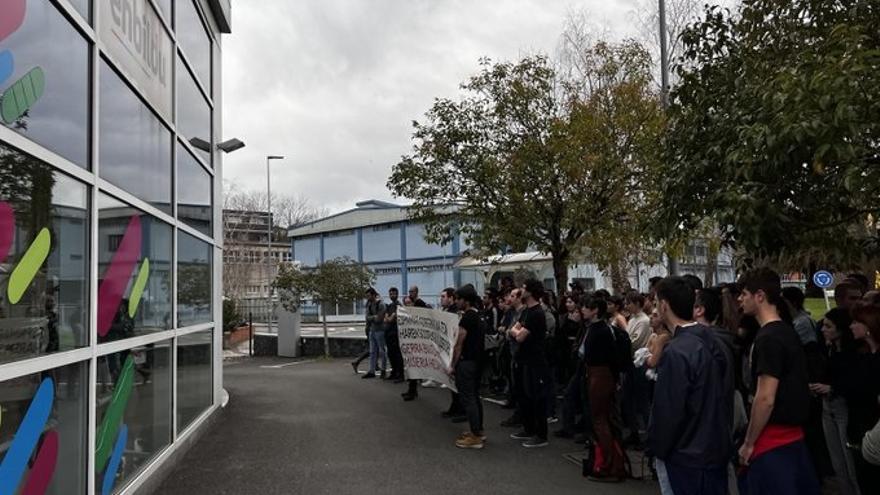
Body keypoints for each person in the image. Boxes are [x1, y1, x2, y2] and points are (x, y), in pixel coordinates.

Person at [737, 268, 819, 495]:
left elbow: (765, 397)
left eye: (744, 294)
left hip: (774, 441)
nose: (740, 299)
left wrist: (749, 442)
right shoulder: (786, 331)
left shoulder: (768, 338)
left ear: (759, 296)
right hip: (792, 438)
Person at [648, 277, 733, 494]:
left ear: (664, 305)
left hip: (687, 455)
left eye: (657, 302)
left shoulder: (677, 351)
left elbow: (669, 410)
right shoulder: (713, 340)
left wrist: (658, 447)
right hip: (714, 448)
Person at [810, 308, 861, 495]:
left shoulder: (853, 354)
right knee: (837, 462)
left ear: (840, 330)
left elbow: (854, 382)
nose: (823, 329)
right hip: (828, 407)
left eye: (828, 326)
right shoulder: (830, 349)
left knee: (849, 463)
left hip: (842, 409)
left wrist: (832, 388)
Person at [582, 295, 626, 481]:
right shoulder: (597, 329)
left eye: (586, 306)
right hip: (598, 374)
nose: (582, 309)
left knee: (601, 420)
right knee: (602, 419)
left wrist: (614, 378)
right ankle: (609, 461)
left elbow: (610, 357)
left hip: (599, 375)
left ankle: (609, 464)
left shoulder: (600, 330)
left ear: (595, 310)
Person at [507, 280, 551, 448]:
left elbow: (518, 336)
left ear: (531, 292)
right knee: (524, 395)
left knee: (537, 397)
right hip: (524, 359)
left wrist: (517, 332)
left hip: (535, 361)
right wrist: (517, 331)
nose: (521, 291)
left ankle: (541, 434)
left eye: (524, 288)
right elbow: (514, 328)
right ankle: (529, 428)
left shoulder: (536, 313)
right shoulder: (527, 311)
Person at [847, 304, 880, 493]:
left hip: (872, 433)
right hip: (861, 429)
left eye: (856, 322)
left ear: (869, 326)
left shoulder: (875, 362)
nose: (851, 326)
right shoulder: (865, 356)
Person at [452, 285, 487, 449]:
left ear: (465, 300)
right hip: (478, 361)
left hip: (467, 363)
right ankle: (478, 431)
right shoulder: (478, 315)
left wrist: (452, 365)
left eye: (458, 299)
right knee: (474, 396)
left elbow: (459, 344)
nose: (456, 301)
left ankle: (475, 437)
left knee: (468, 398)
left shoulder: (468, 318)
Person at [439, 287, 466, 421]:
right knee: (452, 383)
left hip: (455, 350)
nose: (441, 299)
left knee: (457, 384)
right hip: (449, 349)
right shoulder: (447, 311)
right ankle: (455, 407)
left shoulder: (456, 312)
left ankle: (460, 409)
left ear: (451, 298)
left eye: (444, 296)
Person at [359, 288, 387, 379]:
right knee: (372, 352)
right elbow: (367, 317)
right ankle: (371, 371)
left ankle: (383, 370)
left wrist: (372, 318)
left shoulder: (381, 304)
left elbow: (379, 319)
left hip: (380, 331)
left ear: (374, 295)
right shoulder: (369, 305)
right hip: (372, 330)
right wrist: (372, 319)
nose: (367, 298)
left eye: (369, 296)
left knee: (382, 351)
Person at [383, 288, 405, 382]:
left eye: (393, 294)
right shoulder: (390, 305)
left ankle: (400, 374)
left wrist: (390, 317)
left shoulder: (399, 306)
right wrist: (389, 317)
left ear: (397, 294)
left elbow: (391, 319)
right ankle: (394, 372)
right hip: (388, 332)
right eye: (390, 294)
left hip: (396, 332)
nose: (392, 295)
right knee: (390, 354)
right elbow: (386, 318)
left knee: (397, 355)